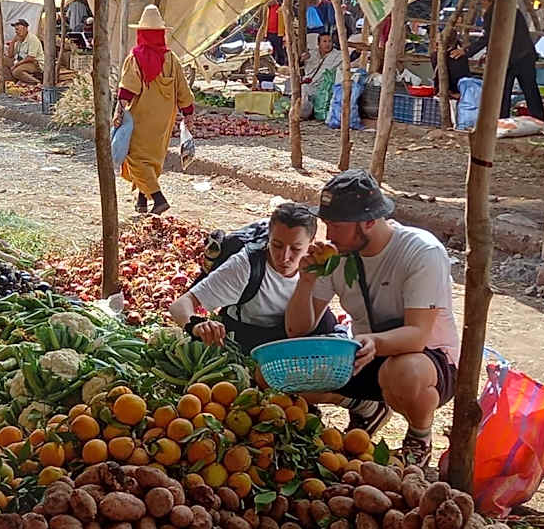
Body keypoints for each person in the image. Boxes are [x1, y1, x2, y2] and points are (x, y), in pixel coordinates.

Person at [285, 170, 460, 467]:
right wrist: (306, 281)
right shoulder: (337, 256)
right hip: (365, 352)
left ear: (368, 222)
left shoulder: (421, 251)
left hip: (426, 359)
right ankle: (366, 406)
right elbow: (297, 329)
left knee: (401, 372)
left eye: (336, 226)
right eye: (326, 224)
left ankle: (419, 436)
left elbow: (417, 335)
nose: (329, 236)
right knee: (289, 376)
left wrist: (374, 342)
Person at [169, 203, 338, 354]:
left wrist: (307, 280)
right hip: (250, 344)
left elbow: (299, 329)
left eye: (295, 248)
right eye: (277, 245)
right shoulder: (245, 267)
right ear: (268, 238)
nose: (284, 257)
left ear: (310, 243)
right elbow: (180, 304)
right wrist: (196, 325)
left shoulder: (318, 265)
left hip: (292, 343)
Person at [112, 4, 195, 215]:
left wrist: (118, 111)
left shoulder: (136, 58)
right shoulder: (172, 59)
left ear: (141, 33)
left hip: (142, 117)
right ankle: (142, 200)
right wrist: (188, 113)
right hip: (165, 119)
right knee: (153, 158)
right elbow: (183, 90)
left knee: (136, 158)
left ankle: (158, 199)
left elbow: (128, 90)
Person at [452, 0, 544, 122]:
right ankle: (539, 119)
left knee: (503, 91)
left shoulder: (492, 13)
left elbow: (487, 37)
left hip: (508, 58)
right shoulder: (514, 11)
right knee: (530, 90)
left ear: (490, 0)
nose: (482, 3)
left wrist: (466, 51)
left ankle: (501, 120)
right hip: (525, 55)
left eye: (484, 0)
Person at [299, 32, 344, 119]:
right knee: (303, 89)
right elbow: (298, 65)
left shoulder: (338, 55)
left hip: (324, 86)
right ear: (318, 44)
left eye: (330, 41)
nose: (328, 44)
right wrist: (301, 60)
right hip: (309, 84)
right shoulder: (311, 54)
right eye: (324, 41)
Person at [1, 19, 43, 84]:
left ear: (26, 29)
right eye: (16, 30)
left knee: (16, 71)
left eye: (19, 29)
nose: (17, 32)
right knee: (3, 60)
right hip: (21, 61)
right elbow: (10, 55)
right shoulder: (19, 39)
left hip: (35, 63)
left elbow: (31, 58)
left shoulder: (32, 39)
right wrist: (13, 42)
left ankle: (37, 82)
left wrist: (16, 65)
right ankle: (11, 83)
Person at [265, 0, 287, 66]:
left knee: (280, 50)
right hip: (269, 33)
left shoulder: (281, 9)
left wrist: (285, 35)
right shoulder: (267, 9)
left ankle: (282, 65)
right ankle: (272, 65)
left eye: (270, 0)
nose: (269, 2)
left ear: (274, 0)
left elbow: (285, 23)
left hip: (278, 34)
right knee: (271, 50)